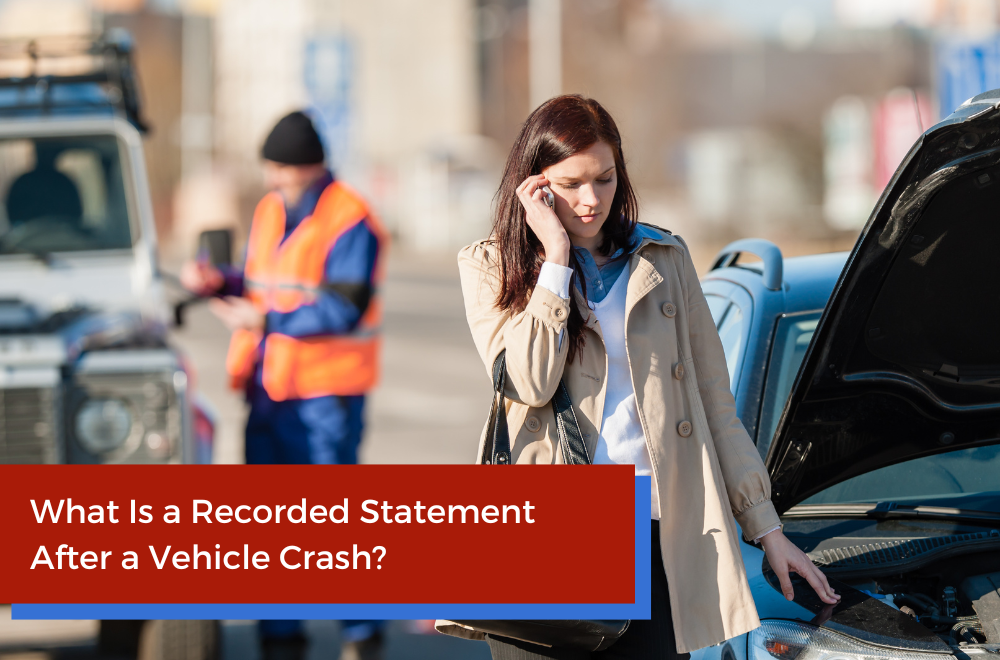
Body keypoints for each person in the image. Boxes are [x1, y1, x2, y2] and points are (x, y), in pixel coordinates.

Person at [441, 95, 840, 659]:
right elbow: (528, 382)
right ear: (533, 187)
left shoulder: (664, 259)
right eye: (570, 183)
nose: (590, 199)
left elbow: (713, 404)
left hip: (653, 531)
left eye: (604, 179)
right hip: (547, 537)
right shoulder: (491, 266)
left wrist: (768, 530)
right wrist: (554, 259)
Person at [180, 110, 387, 660]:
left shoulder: (351, 219)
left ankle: (361, 636)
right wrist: (215, 280)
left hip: (326, 394)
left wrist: (264, 322)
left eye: (279, 169)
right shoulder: (272, 210)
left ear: (308, 167)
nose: (272, 179)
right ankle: (280, 637)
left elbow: (343, 308)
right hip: (269, 388)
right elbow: (258, 281)